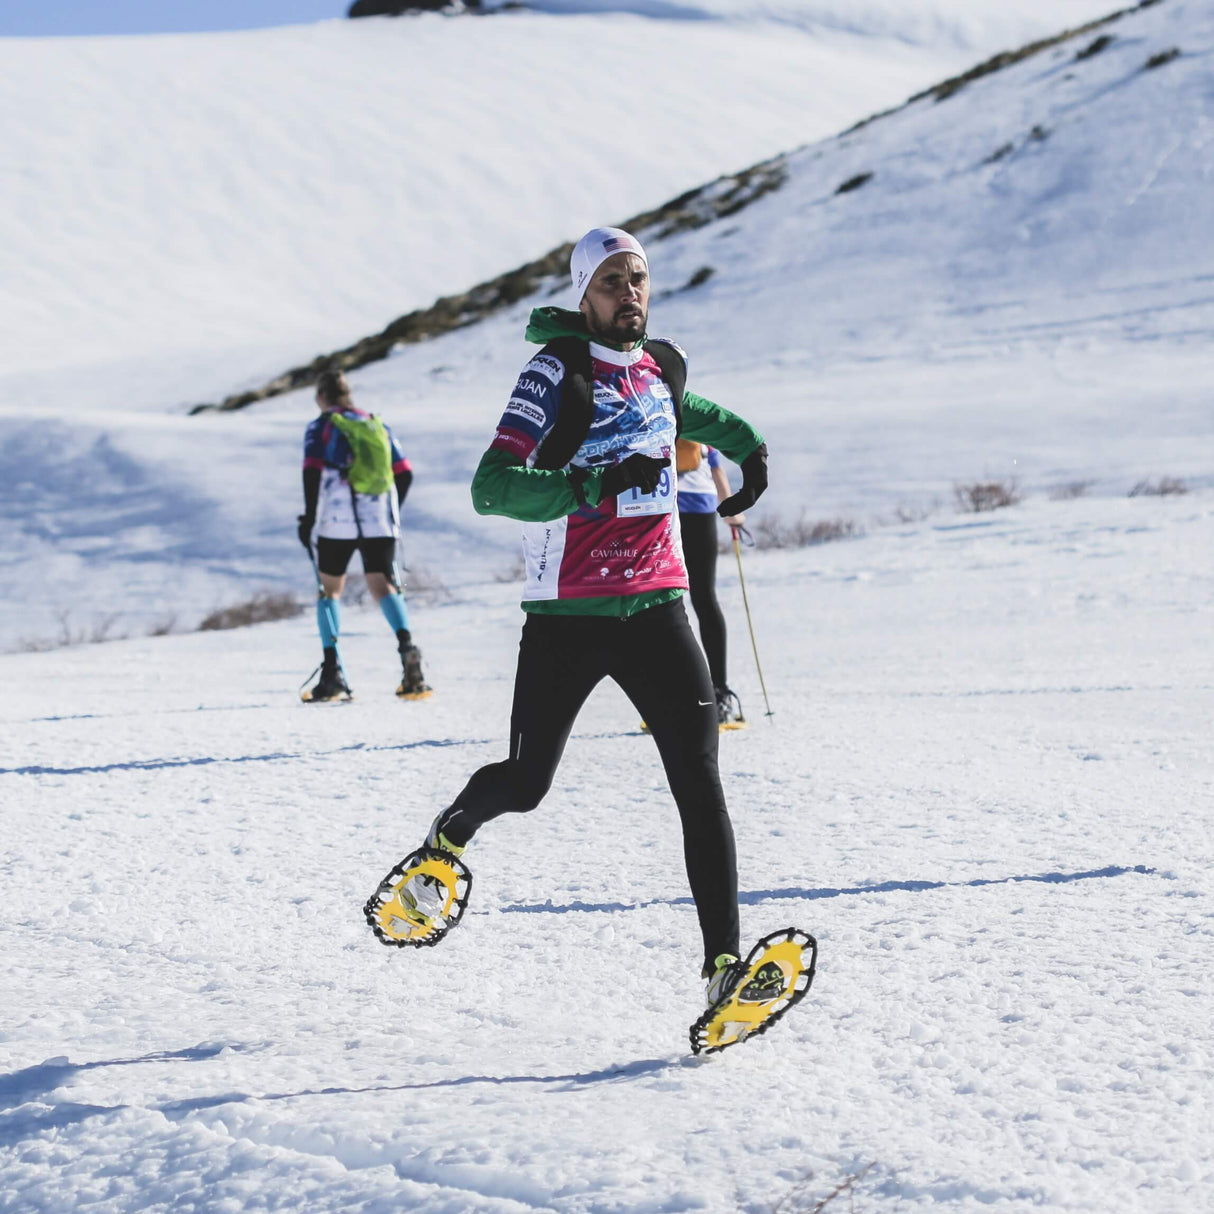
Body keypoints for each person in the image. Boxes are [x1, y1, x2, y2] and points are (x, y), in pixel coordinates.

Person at [382, 227, 769, 1007]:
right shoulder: (556, 372)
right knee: (526, 783)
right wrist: (591, 485)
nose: (629, 294)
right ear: (583, 294)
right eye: (611, 282)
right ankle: (446, 840)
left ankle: (723, 969)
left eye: (638, 278)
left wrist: (752, 449)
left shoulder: (661, 367)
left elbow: (694, 413)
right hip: (569, 614)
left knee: (699, 782)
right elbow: (492, 487)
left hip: (659, 608)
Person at [297, 368, 431, 702]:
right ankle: (408, 652)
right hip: (378, 518)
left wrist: (309, 519)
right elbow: (404, 473)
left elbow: (312, 471)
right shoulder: (377, 424)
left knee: (329, 590)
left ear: (321, 397)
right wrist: (388, 509)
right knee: (384, 584)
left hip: (337, 519)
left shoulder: (321, 426)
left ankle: (333, 673)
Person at [675, 439, 746, 729]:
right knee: (704, 598)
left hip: (658, 507)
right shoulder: (699, 423)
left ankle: (665, 699)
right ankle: (719, 694)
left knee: (661, 604)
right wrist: (731, 510)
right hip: (698, 507)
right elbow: (715, 465)